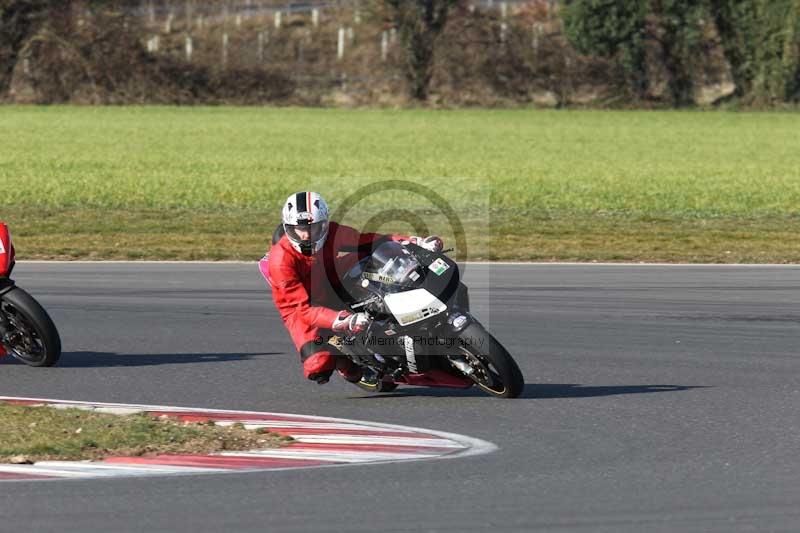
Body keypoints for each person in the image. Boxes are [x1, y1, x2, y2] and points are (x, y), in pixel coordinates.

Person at [259, 191, 443, 384]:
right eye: (299, 229)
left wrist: (415, 242)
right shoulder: (280, 262)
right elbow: (302, 309)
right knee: (318, 366)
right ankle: (346, 366)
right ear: (289, 229)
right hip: (302, 307)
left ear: (324, 224)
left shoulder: (333, 234)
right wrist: (341, 320)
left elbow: (370, 240)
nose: (306, 235)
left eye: (312, 228)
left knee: (372, 260)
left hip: (330, 277)